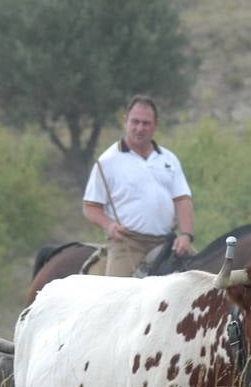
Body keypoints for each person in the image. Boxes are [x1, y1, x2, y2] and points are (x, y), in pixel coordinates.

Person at [82, 94, 195, 276]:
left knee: (205, 282)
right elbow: (90, 206)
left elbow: (182, 200)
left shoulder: (169, 159)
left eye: (146, 123)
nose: (139, 128)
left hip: (168, 243)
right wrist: (109, 225)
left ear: (155, 124)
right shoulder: (108, 161)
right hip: (128, 244)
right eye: (135, 122)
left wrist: (186, 235)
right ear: (125, 121)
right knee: (117, 296)